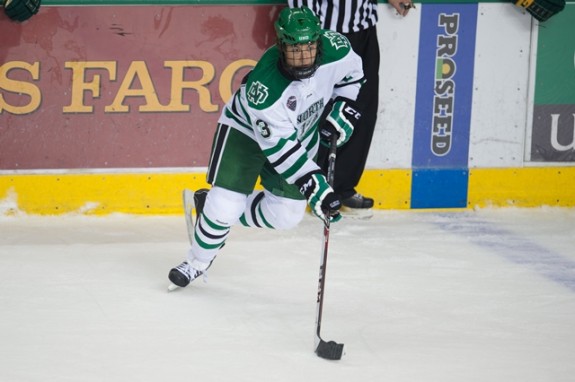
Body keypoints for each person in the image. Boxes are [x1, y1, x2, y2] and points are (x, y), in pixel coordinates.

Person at [168, 6, 365, 288]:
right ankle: (197, 262)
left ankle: (207, 208)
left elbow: (353, 77)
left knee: (286, 215)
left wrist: (343, 107)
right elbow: (281, 151)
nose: (301, 57)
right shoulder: (266, 89)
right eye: (293, 50)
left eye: (308, 48)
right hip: (245, 132)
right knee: (225, 204)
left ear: (319, 40)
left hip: (299, 132)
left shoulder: (337, 48)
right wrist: (316, 186)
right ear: (280, 45)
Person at [287, 0, 414, 212]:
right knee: (318, 110)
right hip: (326, 32)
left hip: (364, 30)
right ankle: (308, 186)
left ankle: (341, 188)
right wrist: (308, 33)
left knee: (360, 110)